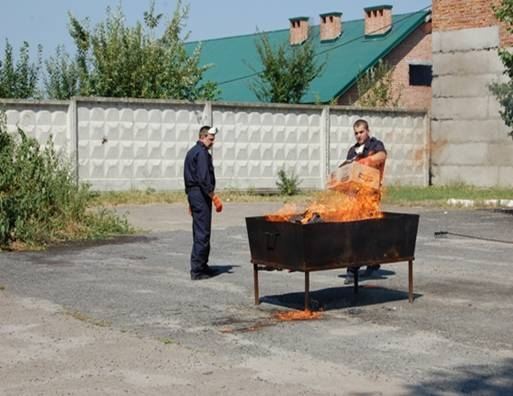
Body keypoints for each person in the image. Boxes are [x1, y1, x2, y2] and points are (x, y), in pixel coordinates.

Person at [344, 119, 387, 285]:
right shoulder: (352, 151)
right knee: (356, 231)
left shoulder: (375, 145)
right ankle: (357, 267)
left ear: (367, 131)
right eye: (356, 133)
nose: (358, 135)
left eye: (361, 132)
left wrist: (363, 162)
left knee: (367, 230)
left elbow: (382, 156)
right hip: (355, 197)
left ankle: (359, 267)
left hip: (371, 196)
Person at [184, 125, 223, 280]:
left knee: (199, 231)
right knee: (203, 233)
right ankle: (198, 270)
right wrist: (214, 197)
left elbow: (189, 178)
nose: (212, 142)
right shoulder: (201, 153)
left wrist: (190, 201)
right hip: (200, 195)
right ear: (203, 136)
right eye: (211, 139)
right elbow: (203, 178)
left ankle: (203, 266)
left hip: (194, 195)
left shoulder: (191, 152)